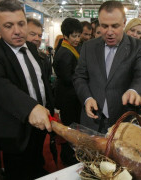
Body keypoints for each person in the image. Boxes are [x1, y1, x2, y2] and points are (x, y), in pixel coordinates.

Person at [0, 1, 54, 179]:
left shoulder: (31, 48)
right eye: (9, 25)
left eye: (21, 24)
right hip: (16, 130)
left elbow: (40, 82)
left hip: (41, 123)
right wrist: (30, 108)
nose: (18, 31)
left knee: (37, 163)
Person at [73, 0, 141, 133]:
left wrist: (135, 90)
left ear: (124, 23)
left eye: (115, 26)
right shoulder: (88, 47)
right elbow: (79, 77)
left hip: (123, 121)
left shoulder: (139, 47)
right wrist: (87, 98)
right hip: (92, 121)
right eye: (104, 26)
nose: (109, 32)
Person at [53, 18, 83, 166]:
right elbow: (67, 78)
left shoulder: (67, 48)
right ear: (66, 35)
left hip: (69, 95)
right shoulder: (65, 52)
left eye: (79, 35)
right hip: (67, 97)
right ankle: (68, 157)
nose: (77, 39)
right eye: (74, 36)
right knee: (69, 128)